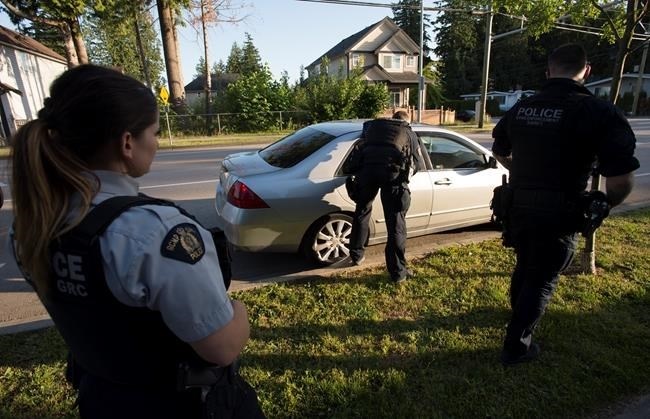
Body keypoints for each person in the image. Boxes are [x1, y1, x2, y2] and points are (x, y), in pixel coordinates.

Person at [9, 64, 265, 418]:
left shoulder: (31, 223)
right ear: (127, 142)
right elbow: (222, 347)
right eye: (155, 133)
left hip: (102, 397)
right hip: (175, 405)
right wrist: (239, 311)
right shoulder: (152, 232)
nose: (157, 143)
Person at [491, 43, 639, 366]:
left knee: (526, 266)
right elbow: (621, 179)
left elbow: (499, 148)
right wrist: (604, 203)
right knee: (541, 280)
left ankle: (518, 316)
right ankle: (517, 347)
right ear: (586, 72)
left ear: (548, 71)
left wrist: (520, 172)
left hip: (517, 210)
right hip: (559, 212)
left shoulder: (523, 107)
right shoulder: (598, 112)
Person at [345, 110, 424, 283]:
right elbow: (418, 163)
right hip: (392, 178)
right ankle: (398, 273)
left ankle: (356, 255)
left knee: (362, 211)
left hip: (367, 175)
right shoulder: (408, 133)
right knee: (395, 224)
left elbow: (358, 152)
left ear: (393, 119)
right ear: (406, 121)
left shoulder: (372, 130)